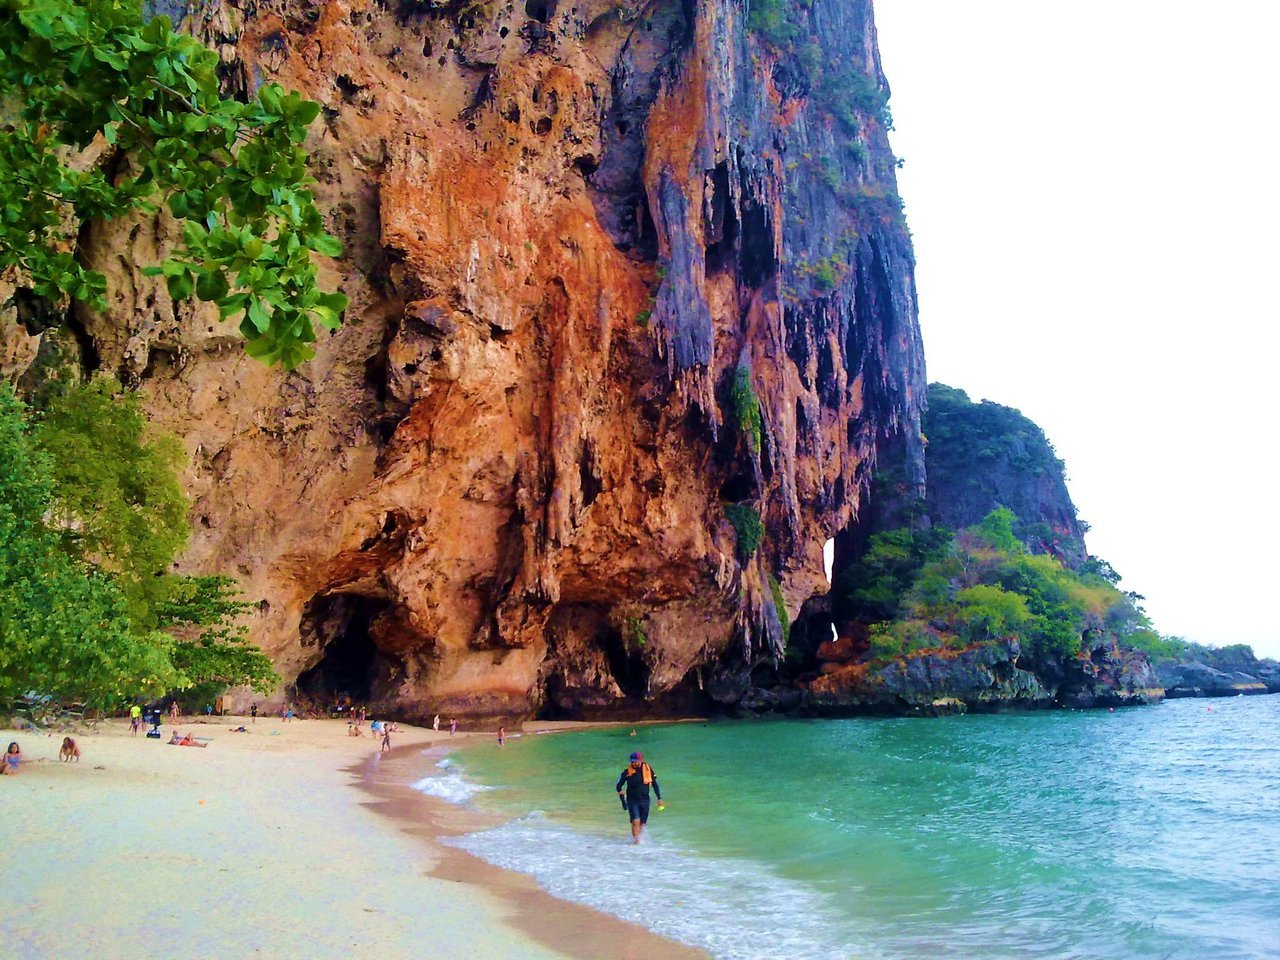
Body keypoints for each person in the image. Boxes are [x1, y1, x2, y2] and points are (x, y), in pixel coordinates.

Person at [615, 751, 663, 844]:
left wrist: (659, 798)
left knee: (642, 823)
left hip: (645, 800)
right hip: (632, 800)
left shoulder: (648, 769)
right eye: (632, 761)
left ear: (640, 760)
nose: (633, 763)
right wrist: (620, 793)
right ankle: (636, 843)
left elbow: (654, 784)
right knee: (635, 821)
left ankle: (637, 839)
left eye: (635, 761)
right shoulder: (627, 772)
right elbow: (618, 785)